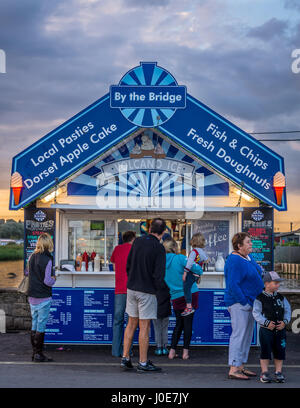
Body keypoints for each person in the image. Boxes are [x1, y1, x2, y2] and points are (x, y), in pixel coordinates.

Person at [121, 218, 167, 372]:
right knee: (144, 327)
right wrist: (161, 291)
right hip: (147, 291)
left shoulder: (137, 242)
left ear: (149, 229)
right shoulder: (159, 248)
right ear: (163, 231)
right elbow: (159, 275)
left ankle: (126, 357)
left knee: (131, 324)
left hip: (131, 288)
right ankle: (142, 362)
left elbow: (128, 265)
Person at [225, 232, 264, 380]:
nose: (251, 244)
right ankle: (234, 367)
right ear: (239, 246)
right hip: (240, 304)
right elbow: (233, 284)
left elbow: (258, 271)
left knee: (247, 336)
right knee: (239, 335)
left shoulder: (247, 257)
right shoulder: (234, 260)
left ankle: (240, 365)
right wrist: (244, 302)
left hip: (250, 303)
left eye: (250, 242)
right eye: (248, 242)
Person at [164, 238, 203, 360]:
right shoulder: (180, 258)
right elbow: (198, 269)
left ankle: (172, 351)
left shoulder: (161, 262)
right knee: (188, 324)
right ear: (175, 247)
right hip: (189, 294)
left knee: (178, 324)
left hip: (175, 296)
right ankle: (185, 353)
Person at [252, 271, 291, 383]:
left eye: (278, 283)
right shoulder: (260, 298)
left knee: (280, 351)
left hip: (280, 330)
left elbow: (287, 310)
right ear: (267, 284)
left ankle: (278, 372)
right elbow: (256, 313)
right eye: (276, 283)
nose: (278, 285)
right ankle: (264, 372)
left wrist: (285, 321)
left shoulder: (281, 298)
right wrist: (265, 323)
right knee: (265, 350)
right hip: (266, 330)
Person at [25, 233, 56, 362]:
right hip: (43, 296)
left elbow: (28, 273)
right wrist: (54, 278)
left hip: (32, 295)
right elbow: (47, 280)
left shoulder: (31, 257)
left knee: (34, 323)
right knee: (41, 325)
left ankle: (34, 353)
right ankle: (38, 354)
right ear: (49, 243)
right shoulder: (48, 259)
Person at [110, 231, 136, 357]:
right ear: (133, 239)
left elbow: (114, 267)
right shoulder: (136, 250)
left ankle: (115, 351)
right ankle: (128, 351)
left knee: (117, 320)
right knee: (130, 322)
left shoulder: (117, 249)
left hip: (119, 289)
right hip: (132, 289)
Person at [182, 232, 208, 316]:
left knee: (186, 288)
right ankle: (190, 306)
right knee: (191, 288)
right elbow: (207, 260)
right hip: (197, 274)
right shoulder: (202, 252)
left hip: (191, 273)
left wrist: (185, 273)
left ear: (194, 241)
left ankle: (189, 307)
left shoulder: (193, 252)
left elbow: (189, 263)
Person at [152, 278, 171, 356]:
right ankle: (165, 348)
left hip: (156, 309)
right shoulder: (168, 282)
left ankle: (159, 348)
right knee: (164, 328)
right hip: (166, 308)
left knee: (157, 328)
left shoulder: (153, 283)